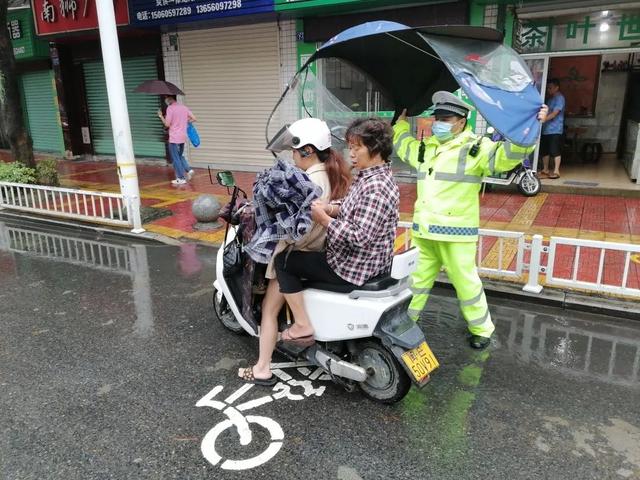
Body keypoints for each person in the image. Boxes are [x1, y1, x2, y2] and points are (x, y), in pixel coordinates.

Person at [240, 117, 399, 384]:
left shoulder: (372, 186)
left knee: (284, 262)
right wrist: (330, 208)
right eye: (350, 146)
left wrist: (325, 219)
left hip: (352, 264)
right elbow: (350, 208)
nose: (351, 153)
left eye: (357, 147)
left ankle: (277, 352)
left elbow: (359, 236)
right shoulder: (369, 177)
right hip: (361, 259)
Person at [393, 91, 548, 349]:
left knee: (466, 283)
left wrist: (531, 127)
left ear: (462, 121)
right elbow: (404, 145)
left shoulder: (475, 148)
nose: (438, 124)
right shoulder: (426, 148)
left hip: (456, 234)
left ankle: (482, 329)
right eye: (436, 118)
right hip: (424, 232)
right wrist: (399, 124)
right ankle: (406, 322)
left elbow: (507, 155)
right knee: (415, 282)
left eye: (445, 118)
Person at [238, 118, 351, 386]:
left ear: (308, 150)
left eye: (294, 149)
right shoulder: (329, 173)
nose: (291, 155)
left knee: (268, 311)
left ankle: (262, 368)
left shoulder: (304, 180)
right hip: (317, 252)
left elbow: (296, 228)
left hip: (295, 254)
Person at [157, 95, 197, 186]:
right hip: (183, 137)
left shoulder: (170, 108)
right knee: (179, 156)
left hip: (174, 138)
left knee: (176, 158)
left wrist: (160, 116)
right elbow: (194, 118)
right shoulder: (184, 107)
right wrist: (185, 122)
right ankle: (189, 170)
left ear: (168, 101)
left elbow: (167, 124)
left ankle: (180, 178)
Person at [539, 78, 565, 179]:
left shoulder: (560, 98)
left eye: (550, 88)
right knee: (545, 150)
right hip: (546, 130)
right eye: (548, 88)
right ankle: (545, 169)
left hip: (555, 129)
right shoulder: (550, 99)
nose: (548, 90)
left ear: (556, 88)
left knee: (555, 150)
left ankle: (556, 171)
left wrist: (544, 119)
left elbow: (554, 113)